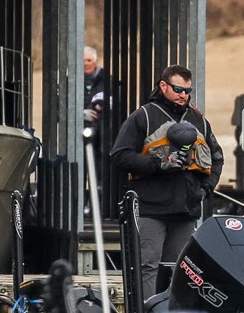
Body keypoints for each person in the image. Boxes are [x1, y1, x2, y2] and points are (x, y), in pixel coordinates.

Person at [111, 65, 223, 299]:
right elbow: (120, 155)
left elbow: (217, 158)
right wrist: (159, 163)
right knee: (147, 266)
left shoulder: (199, 120)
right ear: (163, 86)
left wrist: (205, 189)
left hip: (186, 211)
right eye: (178, 89)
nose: (183, 95)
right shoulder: (143, 116)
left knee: (181, 270)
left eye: (187, 91)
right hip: (150, 208)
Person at [83, 45, 109, 195]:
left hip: (103, 135)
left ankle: (100, 201)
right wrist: (80, 114)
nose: (86, 63)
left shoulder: (108, 80)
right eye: (83, 60)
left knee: (101, 171)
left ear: (96, 61)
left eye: (89, 60)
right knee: (79, 169)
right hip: (79, 133)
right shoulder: (70, 80)